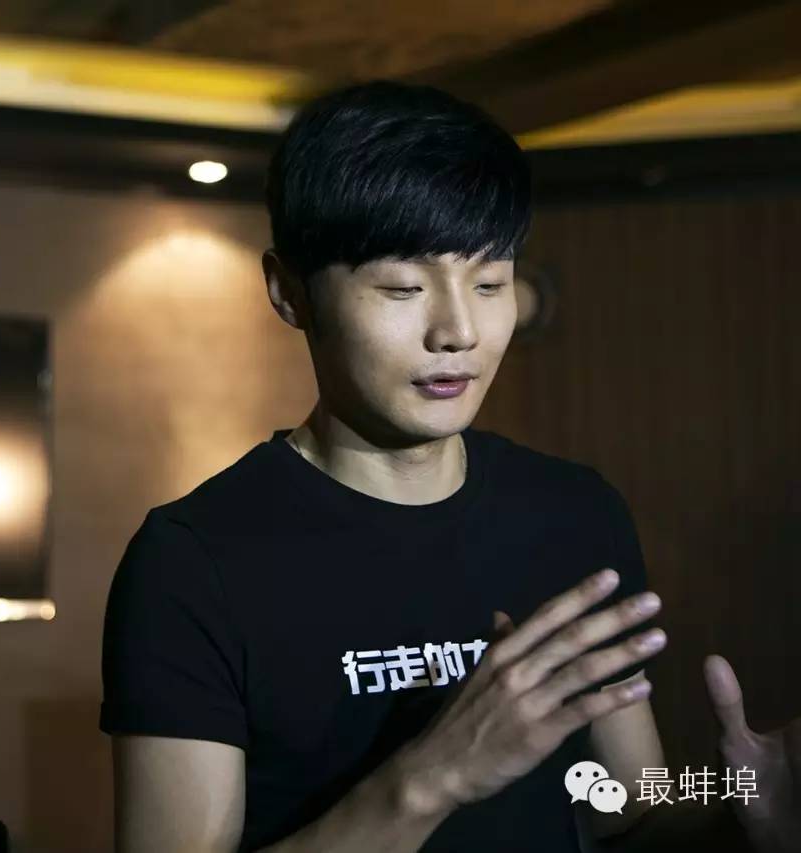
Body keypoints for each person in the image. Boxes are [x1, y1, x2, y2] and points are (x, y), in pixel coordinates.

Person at [97, 80, 801, 852]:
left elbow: (624, 816)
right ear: (289, 291)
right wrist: (437, 775)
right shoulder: (194, 561)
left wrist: (745, 821)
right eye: (403, 288)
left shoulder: (573, 514)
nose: (458, 330)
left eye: (491, 282)